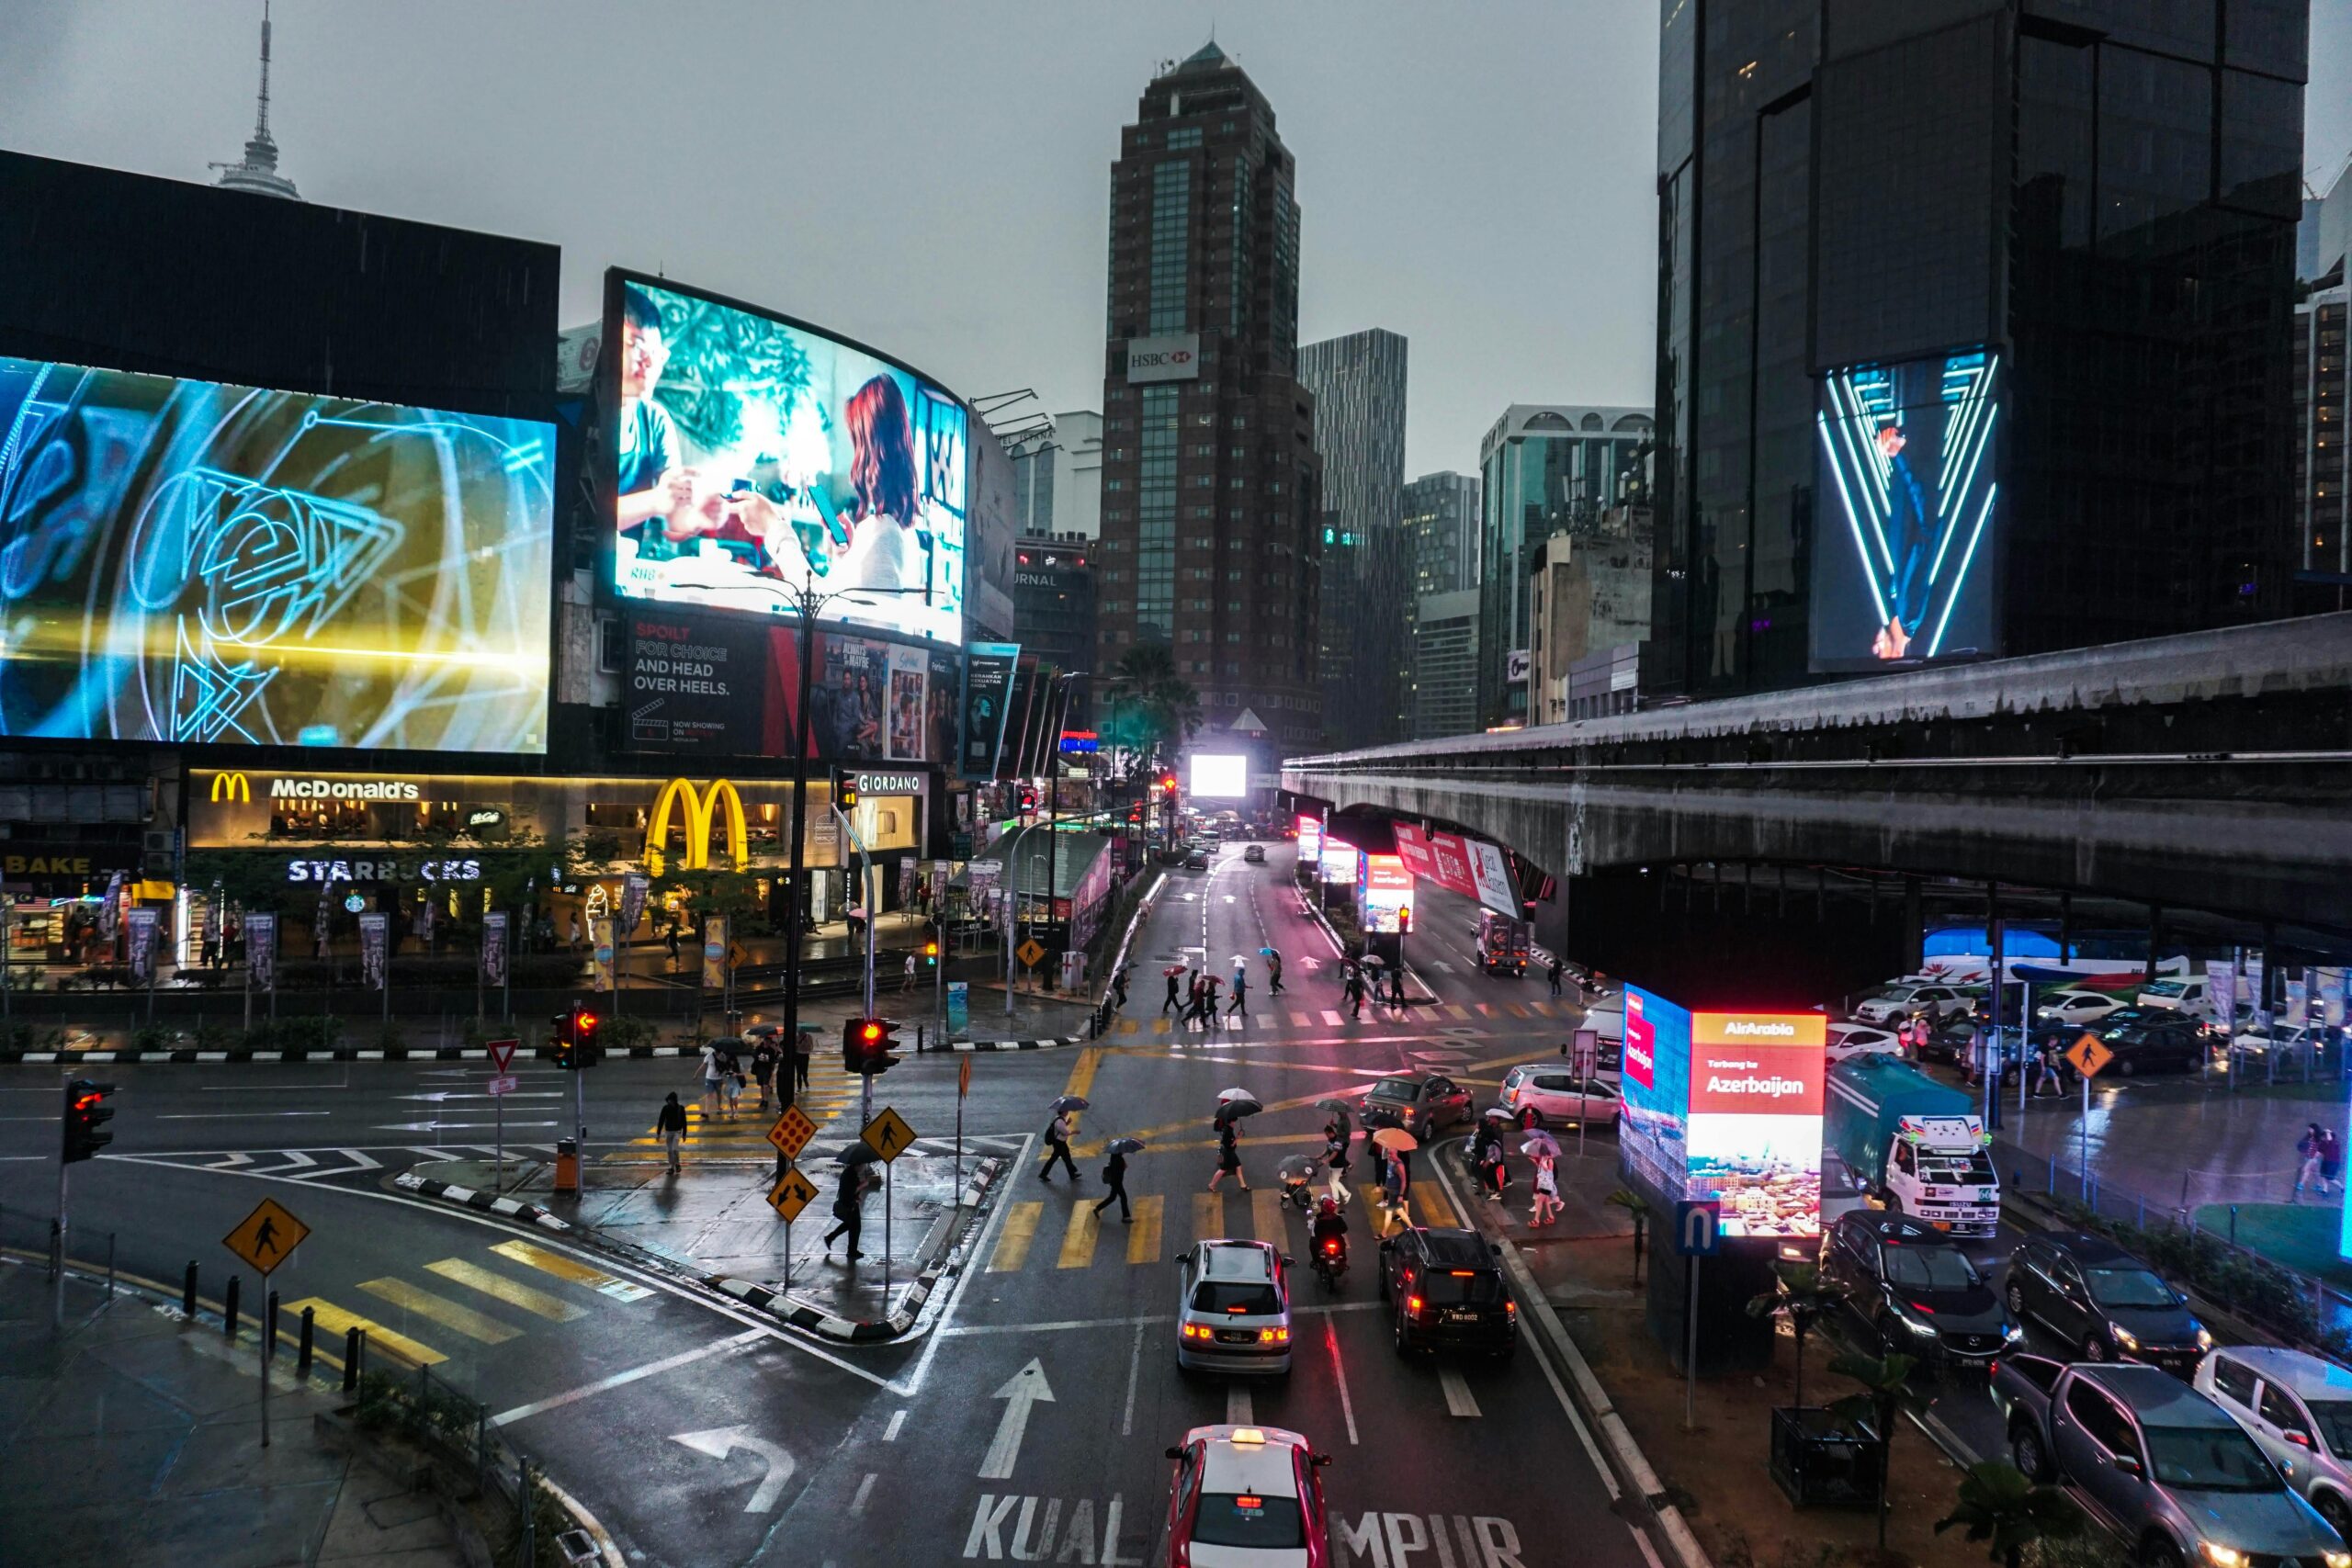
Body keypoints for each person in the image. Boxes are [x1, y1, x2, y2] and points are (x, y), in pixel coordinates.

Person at [831, 377, 925, 595]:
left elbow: (820, 613)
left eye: (858, 443)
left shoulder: (883, 534)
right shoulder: (904, 535)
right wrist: (847, 555)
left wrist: (775, 531)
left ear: (870, 449)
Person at [825, 1165, 875, 1260]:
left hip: (851, 1202)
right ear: (857, 1164)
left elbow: (852, 1190)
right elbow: (852, 1190)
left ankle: (831, 1239)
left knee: (850, 1225)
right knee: (855, 1227)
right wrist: (863, 1185)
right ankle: (851, 1251)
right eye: (862, 1164)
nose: (863, 1167)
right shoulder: (849, 1174)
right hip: (848, 1203)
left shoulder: (851, 1173)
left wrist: (857, 1196)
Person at [1039, 1109, 1080, 1183]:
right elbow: (1065, 1132)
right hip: (1059, 1144)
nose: (1067, 1112)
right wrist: (1075, 1132)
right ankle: (1043, 1174)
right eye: (1066, 1111)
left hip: (1061, 1143)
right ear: (1063, 1112)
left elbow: (1060, 1129)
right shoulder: (1060, 1121)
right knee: (1054, 1159)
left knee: (1067, 1158)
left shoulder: (1059, 1119)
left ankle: (1072, 1174)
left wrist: (1067, 1122)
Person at [1093, 1145, 1133, 1221]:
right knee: (1123, 1198)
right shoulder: (1119, 1159)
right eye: (1122, 1150)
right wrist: (1123, 1166)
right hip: (1117, 1182)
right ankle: (1126, 1217)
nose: (1124, 1151)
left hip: (1115, 1181)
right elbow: (1118, 1171)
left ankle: (1097, 1209)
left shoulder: (1114, 1157)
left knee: (1112, 1198)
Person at [1208, 1122, 1248, 1191]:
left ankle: (1243, 1185)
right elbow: (1231, 1145)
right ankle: (1211, 1185)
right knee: (1223, 1169)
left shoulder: (1226, 1129)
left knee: (1238, 1166)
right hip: (1228, 1153)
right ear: (1230, 1123)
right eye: (1233, 1122)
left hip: (1230, 1152)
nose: (1234, 1123)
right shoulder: (1228, 1131)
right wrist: (1239, 1136)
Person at [657, 1091, 688, 1174]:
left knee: (674, 1149)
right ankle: (671, 1166)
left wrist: (684, 1134)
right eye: (669, 1100)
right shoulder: (665, 1108)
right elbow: (661, 1120)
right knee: (669, 1150)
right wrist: (658, 1133)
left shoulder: (681, 1108)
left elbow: (684, 1122)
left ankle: (677, 1164)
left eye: (670, 1100)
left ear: (674, 1100)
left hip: (677, 1131)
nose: (669, 1102)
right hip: (668, 1132)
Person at [1323, 1121, 1352, 1206]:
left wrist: (1327, 1160)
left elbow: (1335, 1153)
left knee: (1334, 1181)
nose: (1326, 1136)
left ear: (1330, 1132)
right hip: (1332, 1164)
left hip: (1338, 1164)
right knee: (1331, 1181)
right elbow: (1328, 1149)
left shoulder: (1338, 1141)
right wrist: (1321, 1156)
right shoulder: (1330, 1139)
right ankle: (1336, 1199)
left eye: (1326, 1134)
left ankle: (1346, 1194)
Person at [1531, 1154, 1563, 1226]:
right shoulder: (1544, 1159)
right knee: (1546, 1201)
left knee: (1538, 1201)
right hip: (1543, 1183)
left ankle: (1536, 1220)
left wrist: (1543, 1164)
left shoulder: (1550, 1160)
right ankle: (1551, 1217)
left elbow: (1549, 1173)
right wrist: (1537, 1163)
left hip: (1547, 1184)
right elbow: (1541, 1170)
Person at [2296, 1124, 2325, 1201]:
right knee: (2314, 1172)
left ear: (2315, 1130)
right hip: (2308, 1157)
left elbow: (2322, 1148)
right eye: (2309, 1129)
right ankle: (2318, 1185)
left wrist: (2317, 1154)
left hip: (2313, 1158)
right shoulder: (2308, 1137)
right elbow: (2303, 1145)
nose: (2309, 1130)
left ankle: (2301, 1184)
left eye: (2311, 1129)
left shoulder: (2318, 1139)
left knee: (2306, 1170)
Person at [698, 1038, 726, 1121]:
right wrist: (696, 1073)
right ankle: (706, 1112)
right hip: (709, 1078)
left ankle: (719, 1107)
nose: (718, 1052)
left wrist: (723, 1075)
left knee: (718, 1094)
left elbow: (725, 1067)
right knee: (709, 1095)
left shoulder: (723, 1056)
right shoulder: (709, 1056)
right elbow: (703, 1065)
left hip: (718, 1079)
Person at [750, 1036, 780, 1112]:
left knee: (765, 1085)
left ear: (770, 1042)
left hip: (767, 1069)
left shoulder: (771, 1050)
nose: (766, 1042)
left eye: (768, 1041)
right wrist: (764, 1058)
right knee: (761, 1085)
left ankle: (766, 1101)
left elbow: (772, 1060)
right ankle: (763, 1100)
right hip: (759, 1069)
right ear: (764, 1041)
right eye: (765, 1041)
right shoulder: (759, 1048)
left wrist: (775, 1053)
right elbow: (755, 1056)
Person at [717, 1039, 743, 1118]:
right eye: (730, 1060)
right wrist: (726, 1074)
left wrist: (736, 1074)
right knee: (730, 1098)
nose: (732, 1062)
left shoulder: (739, 1065)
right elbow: (723, 1073)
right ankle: (731, 1111)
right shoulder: (726, 1065)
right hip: (729, 1083)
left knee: (734, 1097)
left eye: (733, 1061)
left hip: (736, 1083)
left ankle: (736, 1110)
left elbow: (742, 1074)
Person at [2323, 1128, 2344, 1198]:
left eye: (2327, 1136)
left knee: (2330, 1178)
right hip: (2327, 1162)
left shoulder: (2334, 1142)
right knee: (2324, 1176)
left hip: (2333, 1163)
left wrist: (2328, 1131)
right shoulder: (2328, 1143)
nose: (2325, 1137)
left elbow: (2329, 1139)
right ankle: (2325, 1190)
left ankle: (2342, 1187)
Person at [793, 1027, 814, 1093]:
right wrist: (798, 1045)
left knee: (804, 1071)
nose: (800, 1033)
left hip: (805, 1056)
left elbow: (811, 1047)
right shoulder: (796, 1037)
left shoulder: (809, 1037)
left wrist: (805, 1044)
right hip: (798, 1056)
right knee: (798, 1073)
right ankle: (799, 1088)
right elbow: (794, 1047)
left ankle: (805, 1081)